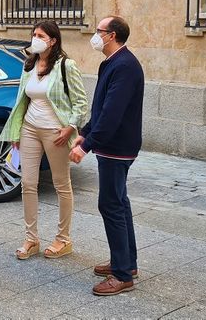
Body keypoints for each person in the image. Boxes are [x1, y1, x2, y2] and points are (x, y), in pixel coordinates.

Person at [69, 16, 145, 297]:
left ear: (111, 35)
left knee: (111, 205)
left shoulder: (125, 66)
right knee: (119, 203)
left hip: (118, 147)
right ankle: (127, 262)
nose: (94, 35)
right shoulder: (110, 63)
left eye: (98, 31)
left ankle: (122, 275)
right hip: (111, 145)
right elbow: (100, 106)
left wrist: (86, 146)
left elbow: (113, 113)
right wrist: (86, 132)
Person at [0, 20, 88, 260]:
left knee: (61, 185)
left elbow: (81, 102)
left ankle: (63, 239)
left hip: (55, 133)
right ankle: (31, 239)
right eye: (34, 34)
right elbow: (22, 100)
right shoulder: (29, 65)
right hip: (29, 129)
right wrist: (16, 132)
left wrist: (70, 127)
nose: (35, 38)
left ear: (53, 40)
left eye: (40, 35)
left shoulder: (65, 66)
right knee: (27, 183)